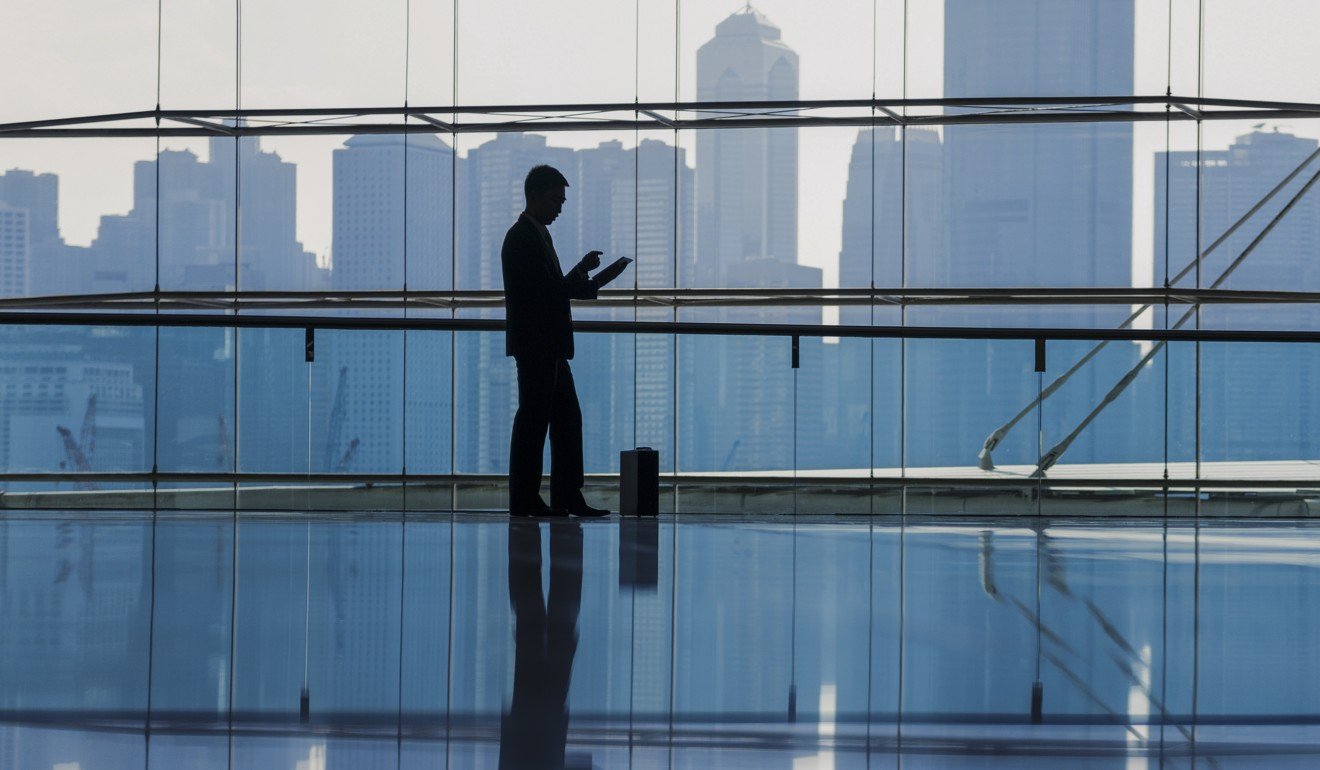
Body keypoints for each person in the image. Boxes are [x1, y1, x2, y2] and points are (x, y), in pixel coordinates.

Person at [502, 164, 629, 517]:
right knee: (536, 422)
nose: (560, 207)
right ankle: (530, 498)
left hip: (547, 346)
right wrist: (587, 285)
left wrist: (581, 272)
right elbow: (545, 292)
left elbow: (548, 288)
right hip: (538, 345)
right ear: (536, 196)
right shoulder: (523, 237)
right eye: (556, 199)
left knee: (562, 420)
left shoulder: (536, 235)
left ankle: (562, 496)